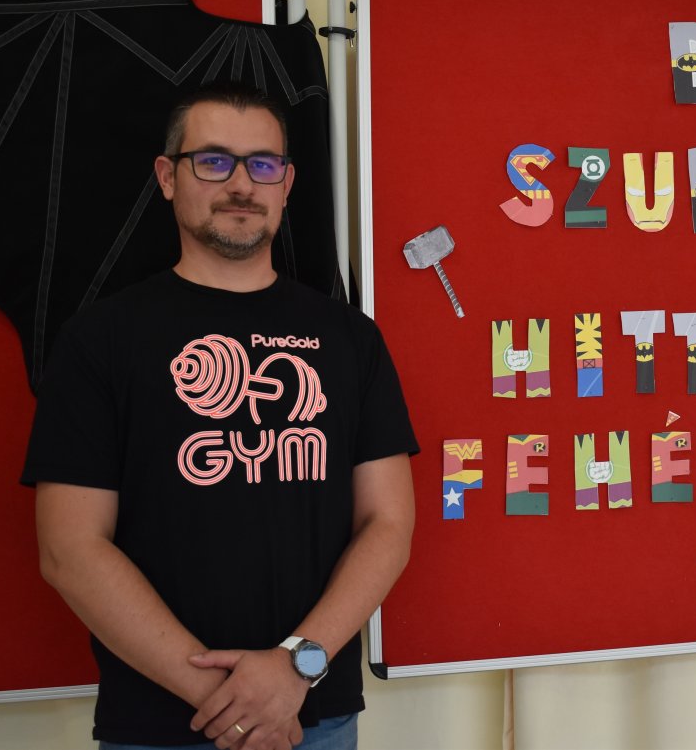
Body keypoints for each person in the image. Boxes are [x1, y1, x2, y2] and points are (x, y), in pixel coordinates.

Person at [22, 82, 417, 750]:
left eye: (263, 164)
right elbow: (69, 550)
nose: (241, 184)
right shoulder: (99, 340)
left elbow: (389, 524)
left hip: (315, 716)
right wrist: (234, 702)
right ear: (167, 177)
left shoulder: (350, 339)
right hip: (162, 724)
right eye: (212, 161)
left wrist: (294, 668)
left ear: (287, 184)